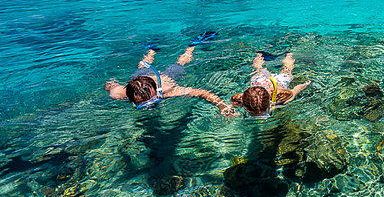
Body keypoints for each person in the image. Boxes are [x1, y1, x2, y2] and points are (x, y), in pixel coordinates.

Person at [104, 31, 235, 117]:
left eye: (152, 99)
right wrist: (108, 85)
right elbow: (110, 85)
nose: (150, 103)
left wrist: (221, 105)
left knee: (180, 63)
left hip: (166, 77)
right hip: (142, 75)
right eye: (143, 102)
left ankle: (192, 46)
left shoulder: (168, 89)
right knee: (142, 65)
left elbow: (202, 92)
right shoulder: (118, 93)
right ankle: (152, 50)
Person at [230, 52, 310, 118]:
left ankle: (287, 55)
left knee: (286, 70)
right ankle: (286, 55)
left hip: (278, 81)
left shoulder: (282, 96)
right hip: (261, 80)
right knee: (260, 70)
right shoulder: (239, 100)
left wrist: (305, 85)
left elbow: (295, 90)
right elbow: (295, 90)